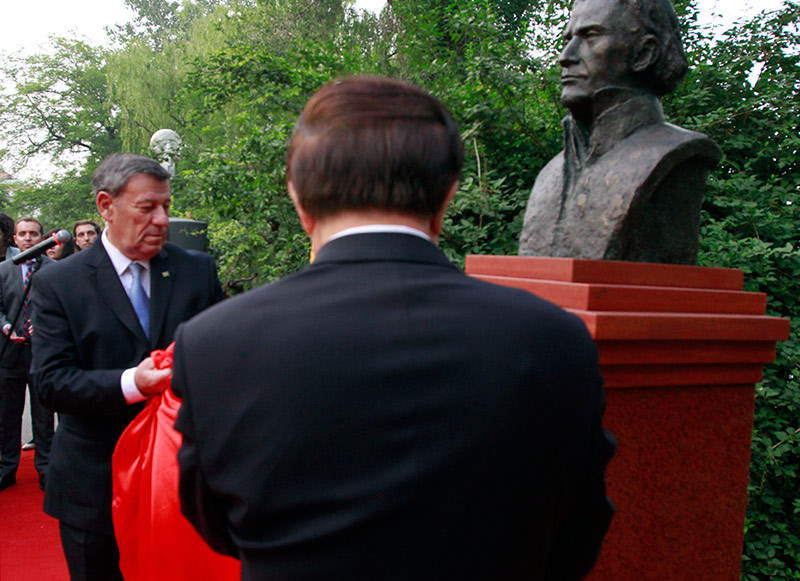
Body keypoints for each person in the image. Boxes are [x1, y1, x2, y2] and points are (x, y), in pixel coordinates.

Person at [172, 76, 615, 579]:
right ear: (448, 195)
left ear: (297, 196)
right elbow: (579, 531)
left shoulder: (213, 343)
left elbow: (215, 523)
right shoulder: (555, 339)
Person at [31, 153, 224, 581]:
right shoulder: (59, 283)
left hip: (182, 482)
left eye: (166, 206)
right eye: (147, 207)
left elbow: (225, 355)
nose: (162, 220)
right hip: (93, 486)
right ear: (106, 205)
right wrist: (132, 383)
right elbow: (50, 382)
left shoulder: (196, 271)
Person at [518, 0, 720, 264]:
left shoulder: (675, 154)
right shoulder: (550, 174)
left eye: (590, 36)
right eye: (568, 40)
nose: (565, 57)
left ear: (644, 53)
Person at [0, 217, 55, 492]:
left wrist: (45, 324)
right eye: (23, 234)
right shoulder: (3, 270)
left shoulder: (56, 269)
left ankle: (46, 469)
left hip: (42, 353)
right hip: (9, 353)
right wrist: (6, 327)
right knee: (7, 416)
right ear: (15, 238)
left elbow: (63, 307)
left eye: (34, 233)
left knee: (44, 416)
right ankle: (7, 468)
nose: (28, 238)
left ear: (42, 238)